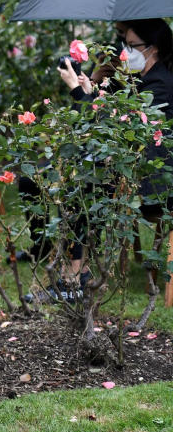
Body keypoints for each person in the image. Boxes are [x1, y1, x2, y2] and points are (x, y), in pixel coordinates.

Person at [51, 18, 173, 294]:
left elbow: (113, 130)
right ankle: (75, 274)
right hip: (136, 170)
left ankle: (73, 277)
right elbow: (108, 118)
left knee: (84, 187)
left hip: (156, 183)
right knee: (80, 184)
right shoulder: (141, 79)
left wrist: (75, 91)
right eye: (124, 44)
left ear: (152, 48)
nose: (124, 52)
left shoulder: (160, 84)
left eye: (131, 46)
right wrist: (88, 92)